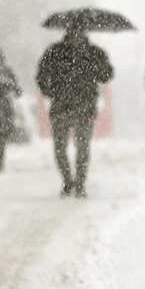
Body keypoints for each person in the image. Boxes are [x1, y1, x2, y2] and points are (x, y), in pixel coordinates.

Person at [36, 27, 114, 197]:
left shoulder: (94, 52)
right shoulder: (55, 51)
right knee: (61, 149)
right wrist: (49, 91)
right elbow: (41, 75)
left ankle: (79, 184)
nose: (76, 34)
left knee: (81, 148)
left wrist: (100, 63)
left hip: (82, 108)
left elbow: (106, 75)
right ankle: (69, 181)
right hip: (63, 106)